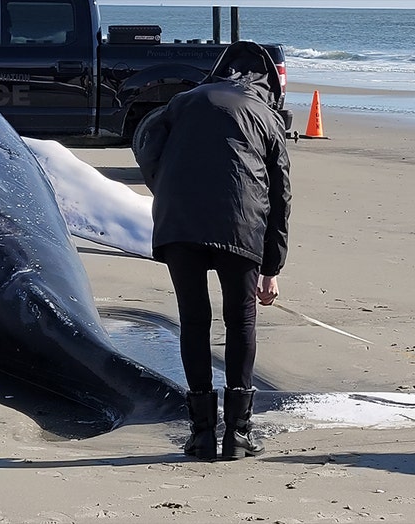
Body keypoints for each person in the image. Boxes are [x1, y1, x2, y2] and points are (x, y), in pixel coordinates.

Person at [134, 40, 291, 461]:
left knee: (193, 318)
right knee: (240, 319)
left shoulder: (183, 101)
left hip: (179, 222)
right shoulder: (265, 115)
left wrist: (166, 191)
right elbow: (280, 194)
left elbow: (146, 146)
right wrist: (272, 266)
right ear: (269, 83)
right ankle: (238, 435)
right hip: (240, 224)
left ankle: (202, 434)